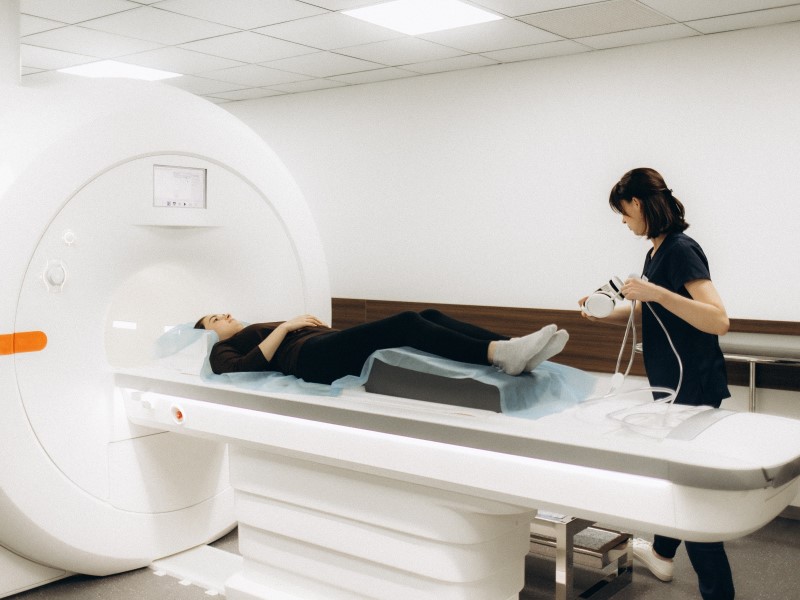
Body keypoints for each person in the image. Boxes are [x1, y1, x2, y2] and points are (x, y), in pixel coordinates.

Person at [579, 167, 734, 600]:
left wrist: (657, 293)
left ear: (639, 203)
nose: (623, 222)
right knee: (678, 483)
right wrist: (603, 310)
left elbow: (718, 320)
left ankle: (718, 593)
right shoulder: (656, 252)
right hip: (673, 387)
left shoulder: (681, 249)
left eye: (624, 213)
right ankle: (664, 554)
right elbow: (658, 313)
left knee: (690, 499)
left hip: (693, 389)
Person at [195, 309, 569, 385]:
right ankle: (500, 355)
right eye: (215, 318)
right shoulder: (218, 350)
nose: (224, 315)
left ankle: (510, 347)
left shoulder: (257, 325)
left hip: (321, 345)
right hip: (310, 360)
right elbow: (244, 369)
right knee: (406, 323)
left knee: (428, 315)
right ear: (209, 334)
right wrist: (288, 326)